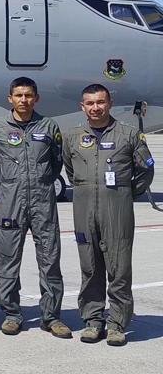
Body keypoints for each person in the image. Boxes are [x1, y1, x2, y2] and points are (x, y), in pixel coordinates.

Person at [63, 83, 154, 346]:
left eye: (100, 102)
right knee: (90, 266)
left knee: (119, 268)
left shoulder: (129, 134)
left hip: (118, 209)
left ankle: (116, 324)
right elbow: (70, 170)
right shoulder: (72, 136)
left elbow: (146, 170)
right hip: (84, 208)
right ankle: (93, 321)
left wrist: (125, 193)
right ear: (82, 106)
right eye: (90, 103)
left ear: (109, 103)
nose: (95, 107)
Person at [0, 77, 70, 338]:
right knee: (8, 261)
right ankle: (11, 314)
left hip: (44, 203)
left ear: (37, 98)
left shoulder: (49, 126)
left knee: (50, 261)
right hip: (11, 204)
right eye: (18, 95)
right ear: (9, 98)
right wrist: (10, 186)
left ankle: (51, 317)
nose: (24, 100)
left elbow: (56, 162)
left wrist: (40, 183)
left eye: (28, 95)